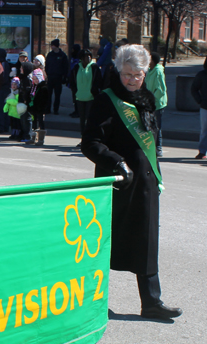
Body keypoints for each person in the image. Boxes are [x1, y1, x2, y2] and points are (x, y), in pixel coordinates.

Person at [81, 44, 182, 320]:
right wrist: (116, 162)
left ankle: (151, 301)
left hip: (145, 186)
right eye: (127, 74)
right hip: (117, 185)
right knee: (103, 245)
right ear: (118, 71)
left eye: (138, 75)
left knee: (147, 243)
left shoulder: (146, 98)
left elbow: (149, 144)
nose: (132, 80)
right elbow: (90, 143)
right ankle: (96, 299)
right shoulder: (107, 99)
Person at [69, 49, 102, 146]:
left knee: (89, 119)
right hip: (80, 97)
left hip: (91, 97)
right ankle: (83, 138)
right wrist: (75, 92)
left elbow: (99, 81)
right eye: (86, 56)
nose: (88, 58)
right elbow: (72, 81)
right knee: (82, 120)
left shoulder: (94, 67)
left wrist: (94, 91)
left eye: (89, 56)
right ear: (81, 58)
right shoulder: (76, 68)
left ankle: (90, 139)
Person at [145, 52, 167, 158]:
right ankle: (151, 146)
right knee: (150, 125)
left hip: (157, 104)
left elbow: (161, 89)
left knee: (157, 126)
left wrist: (152, 99)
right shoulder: (149, 70)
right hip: (149, 103)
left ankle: (158, 148)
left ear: (152, 60)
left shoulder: (158, 71)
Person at [45, 39, 68, 115]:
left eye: (52, 45)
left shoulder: (62, 55)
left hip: (58, 77)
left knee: (57, 95)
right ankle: (48, 109)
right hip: (50, 77)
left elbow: (65, 67)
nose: (51, 47)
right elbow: (47, 65)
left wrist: (64, 77)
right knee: (48, 94)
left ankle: (56, 109)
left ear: (56, 46)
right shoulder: (50, 55)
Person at [191, 56, 207, 160]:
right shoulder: (202, 75)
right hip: (205, 106)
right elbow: (194, 89)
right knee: (204, 130)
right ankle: (202, 151)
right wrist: (200, 100)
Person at [28, 68, 49, 146]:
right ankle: (33, 138)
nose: (35, 80)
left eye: (36, 78)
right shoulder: (34, 86)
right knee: (34, 122)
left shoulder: (43, 87)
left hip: (40, 108)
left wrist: (42, 107)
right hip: (34, 108)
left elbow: (45, 99)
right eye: (34, 79)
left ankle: (41, 139)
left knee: (41, 122)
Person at [17, 60, 34, 143]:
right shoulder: (23, 77)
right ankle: (24, 134)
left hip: (25, 101)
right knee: (23, 119)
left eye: (22, 67)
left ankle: (28, 135)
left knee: (27, 119)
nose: (20, 69)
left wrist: (25, 99)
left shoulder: (27, 79)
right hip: (22, 101)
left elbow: (27, 91)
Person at [0, 48, 11, 135]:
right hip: (5, 88)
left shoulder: (3, 64)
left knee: (2, 108)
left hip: (3, 88)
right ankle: (5, 126)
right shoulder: (6, 63)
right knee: (4, 108)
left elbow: (3, 78)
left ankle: (3, 126)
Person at [3, 76, 21, 141]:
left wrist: (8, 101)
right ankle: (13, 134)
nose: (13, 86)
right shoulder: (11, 92)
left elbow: (16, 102)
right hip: (11, 112)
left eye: (15, 84)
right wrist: (6, 108)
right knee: (12, 124)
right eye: (12, 84)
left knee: (17, 124)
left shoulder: (18, 93)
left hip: (16, 113)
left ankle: (17, 134)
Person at [67, 44, 81, 118]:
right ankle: (76, 110)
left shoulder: (78, 60)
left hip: (77, 81)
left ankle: (78, 111)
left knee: (77, 97)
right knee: (74, 98)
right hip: (72, 80)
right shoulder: (73, 58)